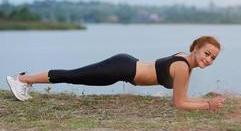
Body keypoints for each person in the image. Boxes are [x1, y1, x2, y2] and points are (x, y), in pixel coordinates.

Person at [6, 36, 225, 111]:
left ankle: (25, 80)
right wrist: (207, 106)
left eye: (213, 57)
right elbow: (179, 103)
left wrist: (206, 100)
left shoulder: (185, 61)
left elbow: (183, 97)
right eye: (206, 52)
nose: (208, 59)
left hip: (125, 67)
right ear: (196, 48)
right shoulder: (183, 68)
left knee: (77, 77)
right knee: (73, 75)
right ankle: (21, 79)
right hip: (123, 68)